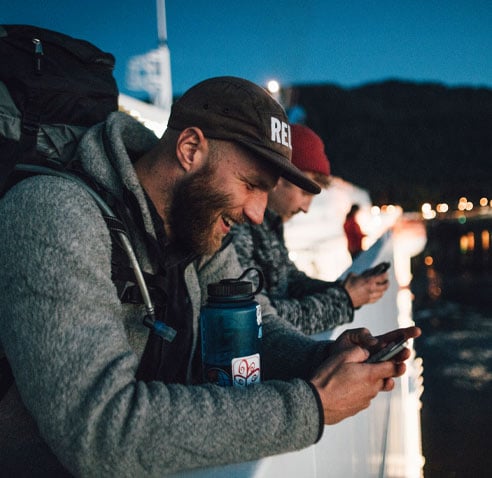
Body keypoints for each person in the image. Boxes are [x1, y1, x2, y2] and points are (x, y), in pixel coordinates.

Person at [0, 76, 420, 476]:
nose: (258, 213)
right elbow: (100, 431)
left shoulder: (193, 228)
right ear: (189, 148)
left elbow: (258, 325)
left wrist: (320, 358)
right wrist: (309, 406)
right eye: (251, 183)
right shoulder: (53, 214)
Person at [233, 124, 390, 335]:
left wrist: (345, 289)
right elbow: (259, 321)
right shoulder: (237, 227)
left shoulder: (269, 224)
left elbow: (288, 280)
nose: (306, 208)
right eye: (304, 193)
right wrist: (345, 299)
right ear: (277, 177)